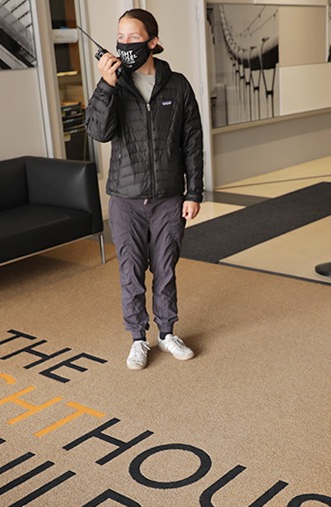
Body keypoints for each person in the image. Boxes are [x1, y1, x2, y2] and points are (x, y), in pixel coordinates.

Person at [85, 9, 204, 370]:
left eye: (133, 37)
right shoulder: (114, 85)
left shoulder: (178, 85)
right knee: (131, 272)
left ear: (153, 41)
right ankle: (138, 338)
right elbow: (98, 131)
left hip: (168, 197)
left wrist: (194, 192)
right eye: (120, 37)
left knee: (165, 269)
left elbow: (192, 142)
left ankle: (167, 332)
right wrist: (106, 85)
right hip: (126, 197)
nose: (124, 44)